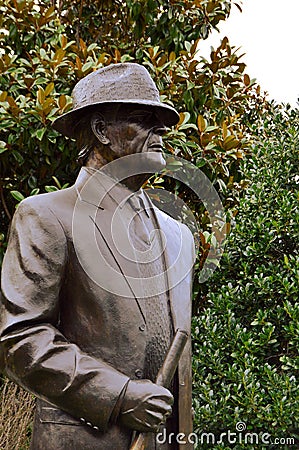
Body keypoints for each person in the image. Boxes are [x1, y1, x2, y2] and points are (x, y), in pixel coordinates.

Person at [0, 63, 195, 449]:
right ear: (101, 131)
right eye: (144, 119)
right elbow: (18, 339)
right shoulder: (47, 216)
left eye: (162, 121)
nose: (162, 131)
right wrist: (119, 395)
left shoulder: (180, 236)